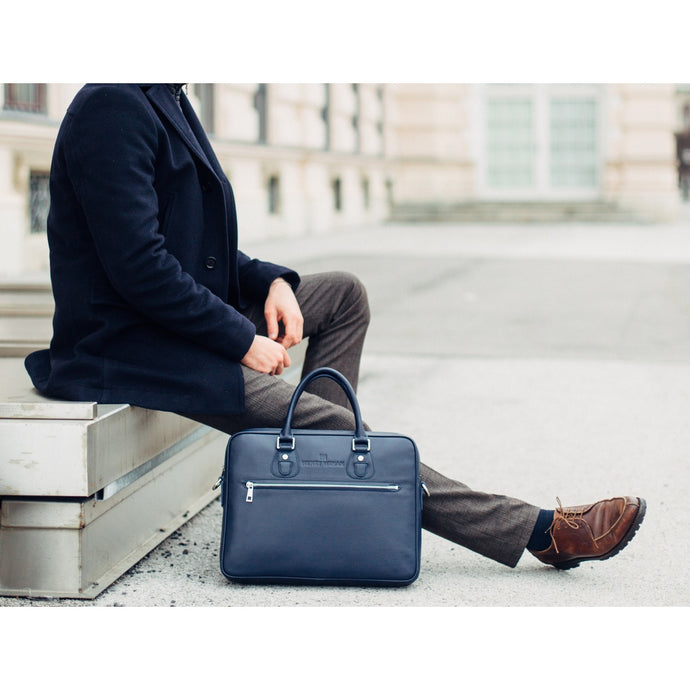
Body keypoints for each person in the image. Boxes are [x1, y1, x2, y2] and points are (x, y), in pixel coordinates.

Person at [25, 83, 645, 572]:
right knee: (334, 425)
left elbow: (197, 253)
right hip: (133, 349)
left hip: (176, 328)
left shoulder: (164, 98)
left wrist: (270, 281)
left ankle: (327, 485)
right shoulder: (112, 106)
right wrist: (241, 340)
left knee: (342, 294)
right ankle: (538, 531)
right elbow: (140, 268)